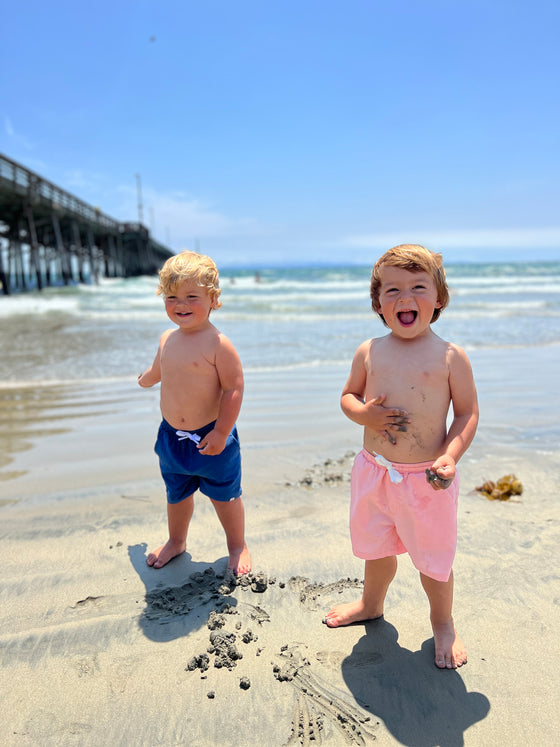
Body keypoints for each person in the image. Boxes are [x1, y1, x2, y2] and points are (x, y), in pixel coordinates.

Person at [324, 244, 478, 669]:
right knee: (376, 549)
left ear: (439, 298)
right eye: (391, 290)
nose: (404, 298)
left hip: (428, 480)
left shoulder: (450, 357)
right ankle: (371, 604)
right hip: (375, 473)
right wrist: (364, 414)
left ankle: (442, 623)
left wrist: (450, 456)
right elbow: (347, 398)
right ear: (377, 303)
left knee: (433, 560)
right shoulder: (369, 351)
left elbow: (466, 414)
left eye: (417, 287)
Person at [138, 250, 251, 576]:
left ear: (213, 299)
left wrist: (220, 432)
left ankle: (236, 545)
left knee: (226, 496)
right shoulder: (166, 339)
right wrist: (144, 379)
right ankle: (177, 540)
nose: (180, 304)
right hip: (172, 438)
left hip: (212, 436)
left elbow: (233, 389)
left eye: (191, 296)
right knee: (176, 494)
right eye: (171, 297)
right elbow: (158, 370)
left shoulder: (218, 343)